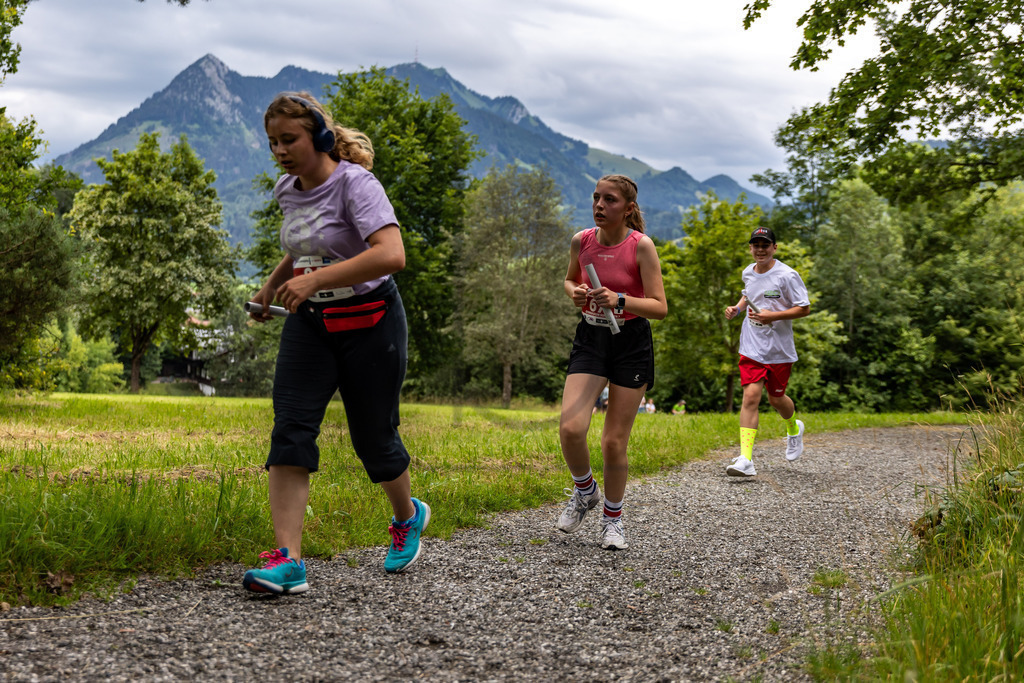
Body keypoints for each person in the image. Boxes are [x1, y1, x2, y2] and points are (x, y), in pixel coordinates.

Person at [242, 92, 429, 594]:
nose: (280, 150)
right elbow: (301, 248)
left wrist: (315, 279)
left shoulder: (355, 184)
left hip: (371, 320)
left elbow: (392, 255)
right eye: (273, 142)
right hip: (311, 324)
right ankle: (288, 560)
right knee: (291, 429)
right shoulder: (288, 188)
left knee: (375, 439)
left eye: (290, 139)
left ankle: (407, 516)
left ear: (320, 137)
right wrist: (271, 287)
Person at [555, 174, 667, 550]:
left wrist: (619, 299)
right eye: (596, 198)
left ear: (628, 209)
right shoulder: (581, 241)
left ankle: (613, 519)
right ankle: (585, 491)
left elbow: (659, 307)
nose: (600, 205)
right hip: (592, 338)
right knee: (571, 428)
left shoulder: (642, 247)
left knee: (613, 442)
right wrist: (577, 294)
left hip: (631, 341)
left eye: (610, 200)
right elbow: (569, 281)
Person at [723, 226, 810, 476]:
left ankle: (794, 428)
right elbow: (747, 295)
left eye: (765, 245)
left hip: (779, 350)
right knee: (751, 397)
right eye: (756, 245)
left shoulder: (787, 275)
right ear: (750, 248)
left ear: (774, 247)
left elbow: (804, 308)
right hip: (752, 346)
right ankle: (746, 459)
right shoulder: (748, 272)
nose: (760, 249)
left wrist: (774, 316)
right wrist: (737, 309)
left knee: (776, 399)